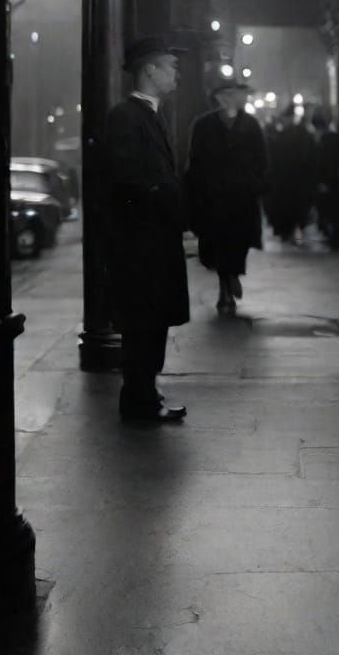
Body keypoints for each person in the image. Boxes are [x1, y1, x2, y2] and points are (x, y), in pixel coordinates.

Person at [105, 36, 190, 423]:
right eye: (170, 66)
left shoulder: (149, 115)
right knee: (143, 323)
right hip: (141, 243)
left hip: (153, 240)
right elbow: (126, 178)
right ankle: (139, 401)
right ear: (150, 70)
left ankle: (145, 395)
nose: (176, 74)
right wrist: (165, 195)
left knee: (152, 321)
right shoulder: (126, 116)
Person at [186, 79, 268, 313]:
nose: (241, 98)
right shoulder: (204, 125)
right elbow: (195, 160)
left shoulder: (250, 125)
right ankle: (225, 288)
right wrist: (199, 192)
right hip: (215, 198)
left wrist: (255, 184)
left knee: (239, 242)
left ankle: (233, 275)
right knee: (219, 244)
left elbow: (262, 159)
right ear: (222, 97)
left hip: (242, 198)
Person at [264, 105, 317, 243]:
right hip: (297, 179)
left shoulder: (281, 136)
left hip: (285, 180)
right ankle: (295, 229)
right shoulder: (303, 134)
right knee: (297, 207)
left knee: (287, 208)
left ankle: (287, 231)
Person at [311, 107, 339, 249]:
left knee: (328, 211)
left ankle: (333, 236)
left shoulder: (319, 141)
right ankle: (338, 237)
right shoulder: (337, 138)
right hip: (336, 180)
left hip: (326, 181)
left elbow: (317, 163)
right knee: (338, 212)